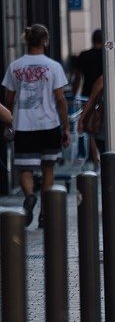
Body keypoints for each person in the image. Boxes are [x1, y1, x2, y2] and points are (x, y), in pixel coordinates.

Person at [2, 24, 70, 228]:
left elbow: (8, 99)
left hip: (23, 125)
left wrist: (8, 123)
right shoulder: (54, 66)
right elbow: (60, 100)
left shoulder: (15, 66)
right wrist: (65, 127)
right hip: (49, 124)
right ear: (45, 41)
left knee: (25, 169)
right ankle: (45, 212)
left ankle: (30, 195)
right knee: (48, 167)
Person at [72, 29, 103, 167]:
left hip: (87, 95)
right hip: (103, 96)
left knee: (89, 128)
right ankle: (101, 155)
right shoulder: (107, 55)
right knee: (100, 126)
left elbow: (78, 78)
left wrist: (74, 94)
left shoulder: (83, 56)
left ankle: (95, 157)